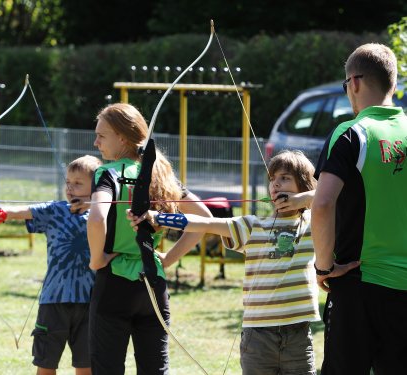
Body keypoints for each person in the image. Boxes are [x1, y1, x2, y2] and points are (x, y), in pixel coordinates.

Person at [128, 150, 320, 375]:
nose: (275, 184)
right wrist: (156, 217)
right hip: (258, 336)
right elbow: (204, 223)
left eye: (285, 178)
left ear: (304, 185)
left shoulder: (312, 223)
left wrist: (305, 199)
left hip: (298, 334)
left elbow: (340, 193)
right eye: (272, 179)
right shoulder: (252, 226)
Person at [87, 103, 212, 375]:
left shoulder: (106, 173)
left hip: (114, 283)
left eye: (101, 136)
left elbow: (96, 219)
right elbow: (204, 218)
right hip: (153, 285)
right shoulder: (160, 174)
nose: (95, 142)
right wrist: (168, 258)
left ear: (122, 138)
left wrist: (97, 259)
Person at [0, 155, 102, 375]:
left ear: (98, 187)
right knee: (45, 364)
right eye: (68, 182)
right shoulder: (55, 210)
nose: (70, 188)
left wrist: (98, 204)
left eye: (78, 183)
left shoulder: (105, 214)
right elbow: (14, 212)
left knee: (86, 366)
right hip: (54, 299)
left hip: (90, 301)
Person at [312, 43, 407, 375]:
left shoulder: (351, 133)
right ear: (393, 84)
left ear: (353, 83)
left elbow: (322, 205)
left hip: (358, 284)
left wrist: (323, 267)